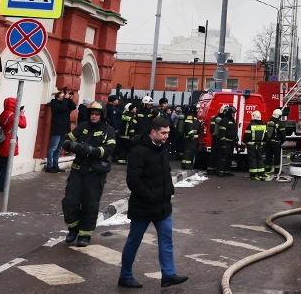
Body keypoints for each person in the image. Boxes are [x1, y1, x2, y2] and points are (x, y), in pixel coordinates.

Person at [118, 116, 187, 289]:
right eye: (163, 133)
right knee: (134, 241)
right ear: (153, 132)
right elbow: (133, 181)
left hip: (162, 206)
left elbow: (164, 172)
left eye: (168, 133)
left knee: (166, 240)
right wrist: (150, 196)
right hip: (143, 206)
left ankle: (168, 275)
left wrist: (169, 189)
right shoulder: (138, 151)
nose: (166, 136)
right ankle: (125, 276)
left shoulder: (162, 148)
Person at [61, 101, 115, 247]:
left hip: (95, 174)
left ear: (102, 115)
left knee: (90, 205)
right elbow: (66, 140)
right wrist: (73, 145)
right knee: (70, 201)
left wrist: (92, 150)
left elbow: (109, 149)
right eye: (92, 114)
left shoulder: (107, 130)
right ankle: (73, 229)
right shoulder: (83, 127)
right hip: (78, 171)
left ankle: (85, 235)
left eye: (97, 114)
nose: (94, 116)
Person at [0, 97, 27, 193]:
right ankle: (1, 186)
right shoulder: (13, 115)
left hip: (3, 140)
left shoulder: (3, 113)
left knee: (2, 164)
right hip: (9, 141)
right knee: (6, 165)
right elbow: (23, 125)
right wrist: (22, 115)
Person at [46, 90, 77, 173]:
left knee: (59, 148)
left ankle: (55, 165)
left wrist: (69, 99)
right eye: (62, 96)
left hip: (64, 129)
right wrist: (66, 100)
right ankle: (49, 165)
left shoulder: (65, 103)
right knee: (53, 148)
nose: (64, 97)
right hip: (57, 128)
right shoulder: (54, 103)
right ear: (58, 97)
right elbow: (62, 108)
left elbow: (73, 107)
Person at [209, 106, 236, 177]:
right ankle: (220, 171)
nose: (233, 114)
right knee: (222, 157)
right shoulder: (224, 120)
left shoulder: (232, 120)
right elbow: (222, 132)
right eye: (233, 113)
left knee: (229, 157)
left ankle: (226, 171)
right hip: (225, 142)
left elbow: (233, 131)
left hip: (231, 142)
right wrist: (223, 142)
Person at [244, 111, 268, 181]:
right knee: (259, 158)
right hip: (260, 145)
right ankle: (261, 172)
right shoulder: (264, 125)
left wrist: (243, 143)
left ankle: (253, 174)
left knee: (252, 158)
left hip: (251, 145)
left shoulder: (251, 125)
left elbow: (247, 136)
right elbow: (266, 136)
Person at [264, 108, 288, 178]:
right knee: (277, 157)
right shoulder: (280, 124)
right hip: (276, 143)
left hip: (268, 143)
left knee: (268, 157)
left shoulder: (269, 122)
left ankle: (267, 170)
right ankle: (277, 171)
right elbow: (283, 135)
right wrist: (281, 142)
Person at [179, 106, 200, 170]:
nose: (197, 110)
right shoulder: (190, 117)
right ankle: (185, 165)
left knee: (191, 152)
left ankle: (188, 164)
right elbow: (188, 127)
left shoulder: (194, 117)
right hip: (189, 138)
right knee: (188, 151)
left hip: (193, 139)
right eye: (196, 109)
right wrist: (191, 135)